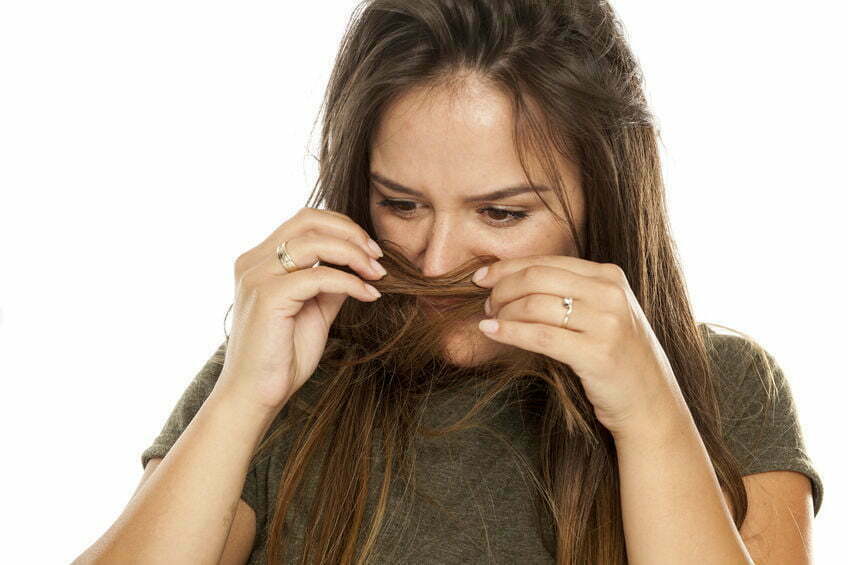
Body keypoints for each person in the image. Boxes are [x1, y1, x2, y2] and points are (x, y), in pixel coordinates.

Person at [73, 1, 823, 563]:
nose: (435, 263)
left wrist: (650, 418)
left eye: (500, 212)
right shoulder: (284, 370)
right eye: (400, 205)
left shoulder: (723, 385)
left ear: (604, 200)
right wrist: (242, 397)